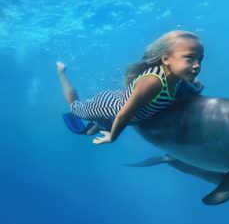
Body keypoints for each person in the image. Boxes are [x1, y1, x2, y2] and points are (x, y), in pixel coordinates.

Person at [57, 30, 205, 145]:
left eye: (200, 59)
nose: (197, 65)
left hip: (129, 109)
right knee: (75, 109)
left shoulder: (179, 76)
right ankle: (61, 72)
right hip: (109, 107)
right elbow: (123, 115)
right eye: (189, 58)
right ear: (166, 59)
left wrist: (196, 85)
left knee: (92, 131)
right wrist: (112, 138)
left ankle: (97, 123)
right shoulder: (154, 82)